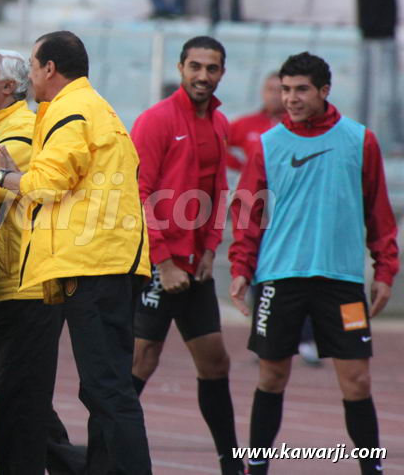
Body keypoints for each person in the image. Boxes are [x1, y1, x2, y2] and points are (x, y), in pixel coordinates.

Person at [229, 52, 398, 475]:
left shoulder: (360, 140)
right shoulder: (268, 144)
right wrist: (240, 269)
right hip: (279, 279)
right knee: (271, 378)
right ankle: (257, 467)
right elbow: (248, 213)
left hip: (340, 282)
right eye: (285, 89)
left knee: (357, 381)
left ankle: (371, 469)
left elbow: (378, 212)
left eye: (301, 89)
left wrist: (384, 270)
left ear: (324, 91)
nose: (291, 98)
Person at [0, 31, 152, 474]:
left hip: (94, 260)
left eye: (31, 64)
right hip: (107, 258)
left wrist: (2, 177)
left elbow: (46, 182)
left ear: (50, 68)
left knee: (107, 388)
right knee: (103, 388)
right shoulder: (90, 107)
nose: (28, 73)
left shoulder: (72, 109)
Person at [0, 48, 85, 475]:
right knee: (16, 399)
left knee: (18, 405)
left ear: (8, 86)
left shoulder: (21, 128)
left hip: (26, 284)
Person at [130, 36, 243, 475]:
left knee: (216, 361)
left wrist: (212, 249)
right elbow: (138, 194)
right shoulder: (156, 120)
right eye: (194, 66)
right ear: (180, 68)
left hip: (196, 267)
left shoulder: (220, 122)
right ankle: (102, 457)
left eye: (211, 68)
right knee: (141, 362)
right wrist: (163, 261)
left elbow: (216, 191)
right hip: (160, 265)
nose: (202, 76)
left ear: (222, 73)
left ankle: (231, 463)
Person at [227, 71, 321, 367]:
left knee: (303, 273)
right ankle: (263, 336)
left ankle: (306, 339)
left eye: (278, 89)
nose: (273, 95)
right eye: (269, 89)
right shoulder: (245, 125)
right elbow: (219, 148)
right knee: (259, 272)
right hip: (261, 211)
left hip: (296, 215)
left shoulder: (303, 128)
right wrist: (242, 168)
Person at [317, 0, 404, 153]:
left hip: (386, 41)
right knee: (364, 90)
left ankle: (394, 138)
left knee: (389, 90)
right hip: (365, 40)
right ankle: (362, 135)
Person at [227, 72, 284, 171]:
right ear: (263, 91)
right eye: (270, 89)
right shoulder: (246, 123)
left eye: (280, 91)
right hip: (253, 182)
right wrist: (239, 166)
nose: (274, 95)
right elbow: (215, 143)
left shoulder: (298, 125)